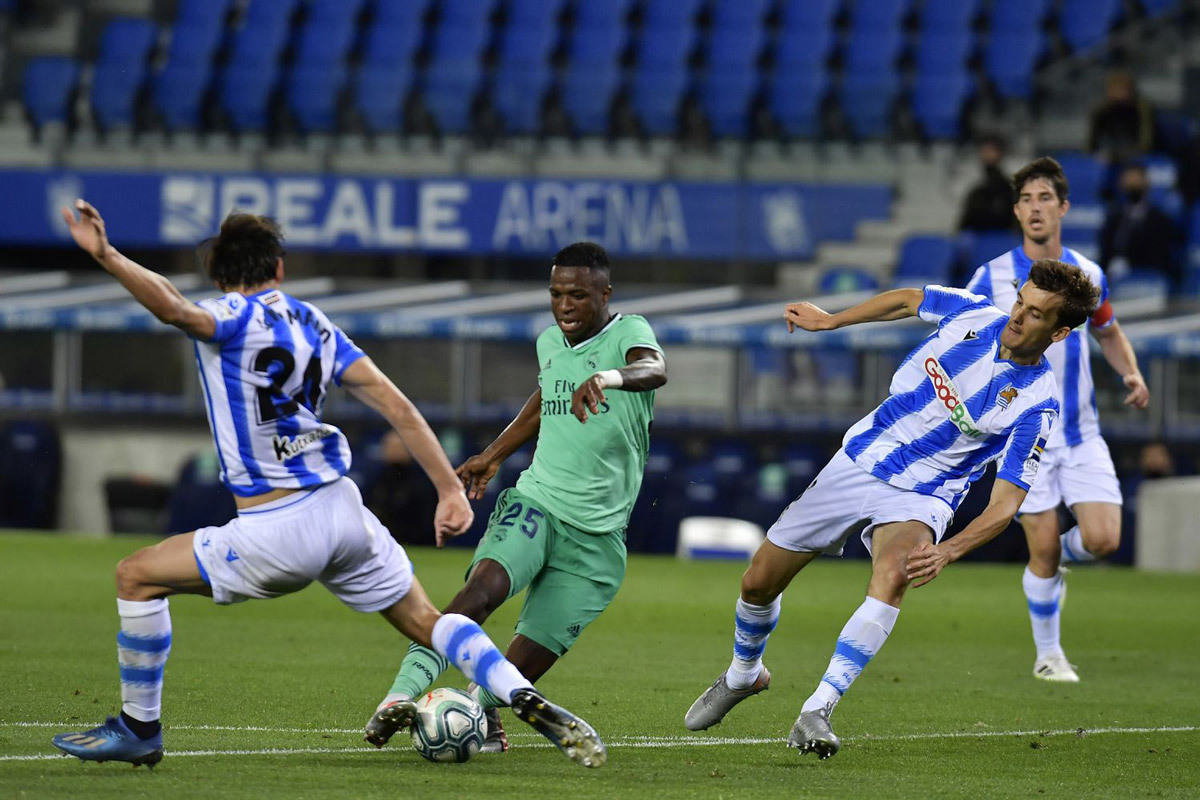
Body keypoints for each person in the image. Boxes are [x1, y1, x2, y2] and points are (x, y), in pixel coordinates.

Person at [50, 202, 606, 769]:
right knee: (429, 622)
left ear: (220, 276)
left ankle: (139, 727)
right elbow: (397, 404)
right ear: (280, 270)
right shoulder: (313, 321)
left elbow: (172, 307)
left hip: (278, 527)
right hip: (345, 512)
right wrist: (447, 489)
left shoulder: (229, 315)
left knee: (135, 577)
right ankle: (517, 691)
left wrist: (107, 254)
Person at [684, 261, 1101, 761]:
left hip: (924, 493)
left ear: (1059, 332)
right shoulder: (972, 313)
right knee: (757, 582)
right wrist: (832, 320)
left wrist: (948, 551)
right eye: (1020, 302)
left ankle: (818, 708)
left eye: (1035, 314)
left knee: (896, 571)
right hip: (860, 458)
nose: (1018, 316)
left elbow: (1006, 503)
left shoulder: (1036, 405)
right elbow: (907, 298)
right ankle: (744, 676)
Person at [364, 241, 667, 754]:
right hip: (537, 504)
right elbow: (542, 398)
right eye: (555, 294)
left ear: (605, 294)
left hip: (598, 541)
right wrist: (494, 453)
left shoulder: (629, 332)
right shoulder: (549, 342)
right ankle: (398, 696)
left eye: (577, 295)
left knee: (521, 662)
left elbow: (654, 368)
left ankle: (477, 712)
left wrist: (607, 377)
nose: (564, 305)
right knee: (480, 593)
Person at [965, 157, 1149, 682]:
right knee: (1040, 547)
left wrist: (1131, 375)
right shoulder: (993, 276)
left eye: (1044, 198)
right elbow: (964, 338)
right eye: (1025, 200)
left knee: (1104, 541)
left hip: (1082, 432)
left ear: (1063, 207)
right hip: (1026, 435)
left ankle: (1058, 565)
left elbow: (1108, 331)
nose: (1035, 208)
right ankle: (1049, 656)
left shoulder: (1088, 274)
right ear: (1017, 211)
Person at [1098, 161, 1183, 285]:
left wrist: (1130, 264)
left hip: (1147, 278)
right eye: (1128, 181)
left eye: (1135, 181)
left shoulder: (1160, 220)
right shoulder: (1114, 218)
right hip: (1114, 280)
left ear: (1145, 183)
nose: (1131, 185)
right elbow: (1105, 251)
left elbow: (1161, 256)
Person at [1088, 72, 1155, 167]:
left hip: (1136, 155)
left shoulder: (1142, 109)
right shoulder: (1100, 111)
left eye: (1123, 89)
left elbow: (1146, 143)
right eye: (1114, 89)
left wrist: (1127, 155)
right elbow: (1091, 144)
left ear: (1131, 91)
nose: (1119, 94)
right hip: (1108, 155)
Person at [958, 133, 1017, 233]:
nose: (987, 155)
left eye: (991, 150)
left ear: (1000, 153)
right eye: (984, 151)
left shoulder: (1010, 191)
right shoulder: (976, 194)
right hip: (981, 245)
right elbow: (964, 227)